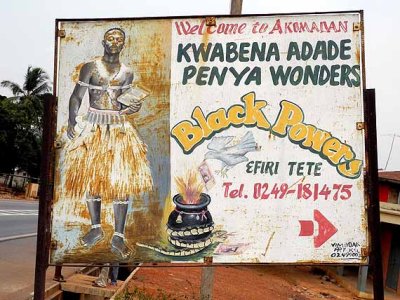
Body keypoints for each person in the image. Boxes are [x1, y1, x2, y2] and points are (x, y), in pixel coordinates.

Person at [64, 28, 153, 259]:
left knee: (121, 181)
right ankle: (95, 229)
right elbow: (77, 96)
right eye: (111, 38)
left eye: (119, 39)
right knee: (92, 178)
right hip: (93, 125)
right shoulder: (90, 67)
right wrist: (72, 119)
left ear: (123, 45)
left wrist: (132, 108)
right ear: (104, 41)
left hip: (118, 128)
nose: (115, 42)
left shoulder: (127, 73)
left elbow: (123, 103)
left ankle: (118, 236)